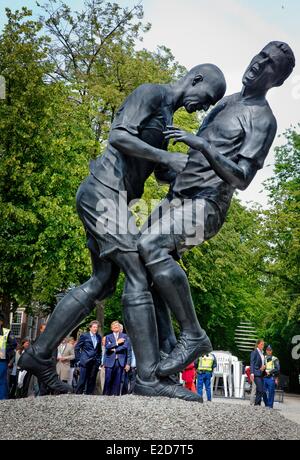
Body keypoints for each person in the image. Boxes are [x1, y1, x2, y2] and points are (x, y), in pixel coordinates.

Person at [19, 64, 226, 401]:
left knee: (102, 281)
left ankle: (39, 355)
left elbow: (161, 172)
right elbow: (118, 135)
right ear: (196, 79)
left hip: (112, 200)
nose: (203, 107)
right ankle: (147, 379)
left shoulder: (167, 121)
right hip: (103, 193)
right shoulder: (151, 92)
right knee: (138, 271)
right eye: (207, 98)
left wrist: (207, 174)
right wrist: (165, 156)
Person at [138, 41, 295, 377]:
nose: (258, 63)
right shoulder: (226, 102)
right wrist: (167, 166)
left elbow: (241, 178)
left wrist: (204, 146)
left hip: (206, 207)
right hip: (177, 198)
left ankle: (193, 335)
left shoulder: (263, 121)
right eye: (260, 55)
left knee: (149, 245)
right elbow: (195, 160)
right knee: (141, 264)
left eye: (269, 64)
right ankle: (166, 354)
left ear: (277, 81)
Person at [75, 321, 102, 395]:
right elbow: (77, 348)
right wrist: (79, 359)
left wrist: (99, 361)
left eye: (96, 327)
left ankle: (89, 396)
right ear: (90, 328)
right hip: (85, 361)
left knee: (92, 381)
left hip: (95, 362)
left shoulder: (98, 337)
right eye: (94, 327)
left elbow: (99, 350)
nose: (95, 329)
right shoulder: (84, 336)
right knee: (82, 381)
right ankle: (77, 396)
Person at [103, 321, 129, 396]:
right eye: (114, 326)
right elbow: (107, 347)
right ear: (111, 328)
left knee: (117, 380)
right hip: (110, 361)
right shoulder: (108, 336)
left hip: (120, 361)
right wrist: (117, 342)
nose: (115, 327)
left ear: (119, 327)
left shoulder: (124, 336)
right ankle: (106, 395)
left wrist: (115, 349)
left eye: (117, 325)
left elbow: (125, 346)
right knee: (108, 379)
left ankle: (116, 395)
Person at [0, 311, 17, 400]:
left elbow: (14, 344)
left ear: (1, 322)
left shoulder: (7, 332)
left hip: (1, 360)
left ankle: (2, 399)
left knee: (1, 380)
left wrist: (3, 351)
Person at [263, 345, 280, 409]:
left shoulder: (275, 359)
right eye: (267, 350)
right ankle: (267, 404)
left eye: (270, 350)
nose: (268, 351)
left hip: (271, 378)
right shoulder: (263, 358)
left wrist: (270, 372)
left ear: (271, 351)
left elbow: (277, 369)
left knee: (271, 393)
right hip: (264, 377)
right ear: (266, 350)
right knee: (263, 391)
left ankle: (270, 407)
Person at [250, 339, 266, 406]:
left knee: (260, 390)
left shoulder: (262, 353)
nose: (263, 346)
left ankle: (258, 405)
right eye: (262, 344)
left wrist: (264, 366)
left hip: (261, 373)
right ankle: (256, 404)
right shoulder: (254, 352)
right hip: (256, 373)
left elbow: (261, 363)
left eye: (263, 345)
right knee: (260, 390)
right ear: (258, 344)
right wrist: (252, 373)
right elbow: (252, 363)